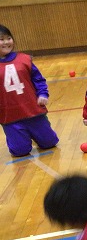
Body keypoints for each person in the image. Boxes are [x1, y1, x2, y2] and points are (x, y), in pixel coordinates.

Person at [0, 24, 59, 157]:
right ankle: (19, 137)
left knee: (50, 143)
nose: (6, 42)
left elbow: (38, 79)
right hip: (10, 117)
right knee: (20, 151)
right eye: (1, 39)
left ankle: (35, 134)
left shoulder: (24, 59)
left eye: (8, 38)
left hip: (33, 111)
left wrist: (42, 93)